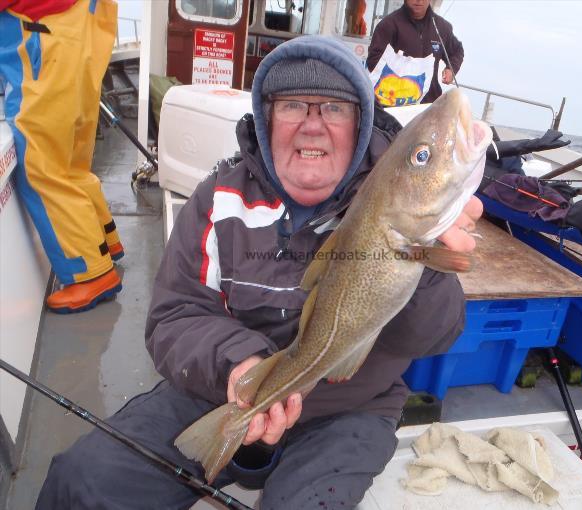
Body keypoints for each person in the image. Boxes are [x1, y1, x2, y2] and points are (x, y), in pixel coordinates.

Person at [36, 35, 482, 509]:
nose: (313, 126)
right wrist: (242, 367)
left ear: (361, 122)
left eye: (334, 108)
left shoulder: (407, 219)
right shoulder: (217, 200)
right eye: (292, 105)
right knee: (82, 481)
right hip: (226, 392)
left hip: (349, 408)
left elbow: (429, 340)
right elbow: (174, 316)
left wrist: (428, 264)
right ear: (267, 118)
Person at [0, 0, 123, 313]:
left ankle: (90, 272)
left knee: (42, 167)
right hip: (79, 22)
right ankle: (105, 242)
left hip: (41, 31)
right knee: (71, 160)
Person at [367, 0, 464, 103]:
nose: (419, 1)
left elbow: (457, 50)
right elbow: (373, 61)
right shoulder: (388, 24)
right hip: (394, 101)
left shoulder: (442, 27)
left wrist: (451, 69)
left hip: (428, 103)